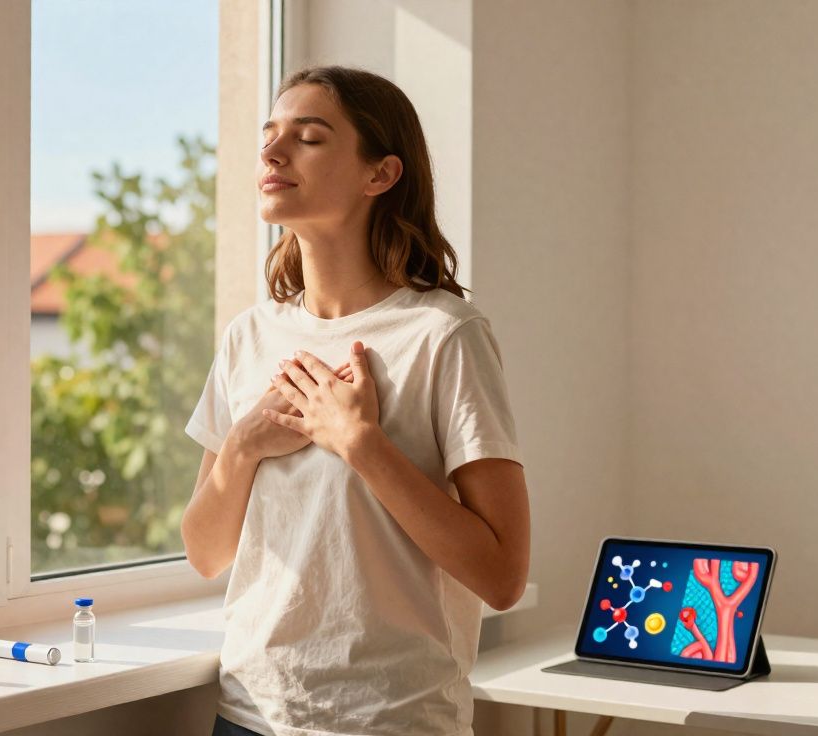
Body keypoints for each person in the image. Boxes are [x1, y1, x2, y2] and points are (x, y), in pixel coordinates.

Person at [181, 64, 531, 736]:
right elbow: (204, 551)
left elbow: (502, 575)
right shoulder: (249, 336)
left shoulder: (445, 334)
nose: (273, 153)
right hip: (250, 714)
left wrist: (363, 446)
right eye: (269, 137)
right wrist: (246, 444)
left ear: (381, 175)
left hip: (390, 720)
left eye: (308, 138)